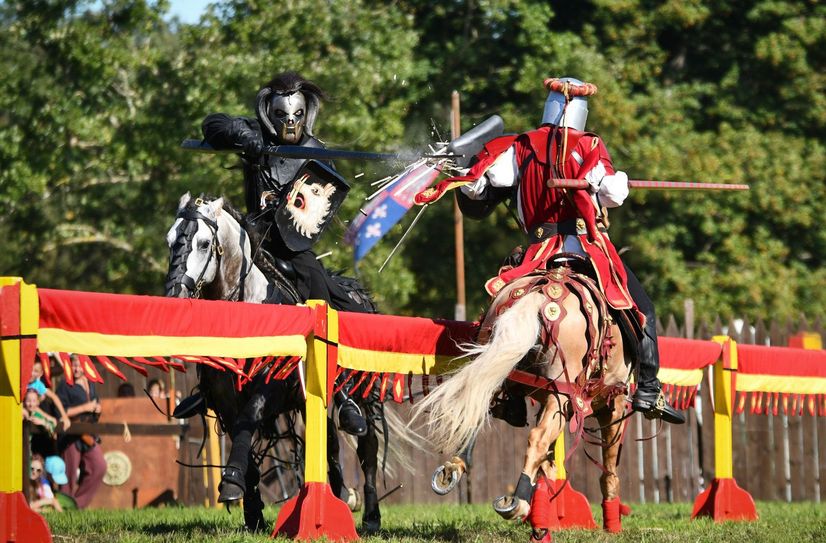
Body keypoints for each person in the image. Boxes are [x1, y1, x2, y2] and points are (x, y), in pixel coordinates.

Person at [438, 77, 683, 424]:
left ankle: (505, 393)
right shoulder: (590, 146)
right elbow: (614, 195)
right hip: (586, 248)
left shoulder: (519, 147)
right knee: (642, 308)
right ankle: (647, 388)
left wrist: (466, 170)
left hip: (537, 253)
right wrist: (613, 181)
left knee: (501, 307)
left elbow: (483, 185)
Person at [199, 71, 368, 435]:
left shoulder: (318, 153)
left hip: (291, 246)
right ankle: (209, 381)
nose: (289, 122)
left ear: (305, 113)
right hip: (250, 236)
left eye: (295, 115)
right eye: (282, 115)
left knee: (319, 290)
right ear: (269, 112)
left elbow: (318, 207)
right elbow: (211, 125)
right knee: (206, 276)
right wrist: (242, 136)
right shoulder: (255, 133)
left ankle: (340, 393)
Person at [56, 355, 107, 508]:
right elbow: (61, 412)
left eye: (79, 365)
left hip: (88, 435)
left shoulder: (90, 383)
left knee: (99, 466)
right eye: (74, 365)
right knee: (68, 474)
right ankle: (63, 506)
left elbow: (95, 403)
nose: (76, 369)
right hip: (70, 435)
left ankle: (76, 505)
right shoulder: (65, 385)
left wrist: (98, 409)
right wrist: (84, 408)